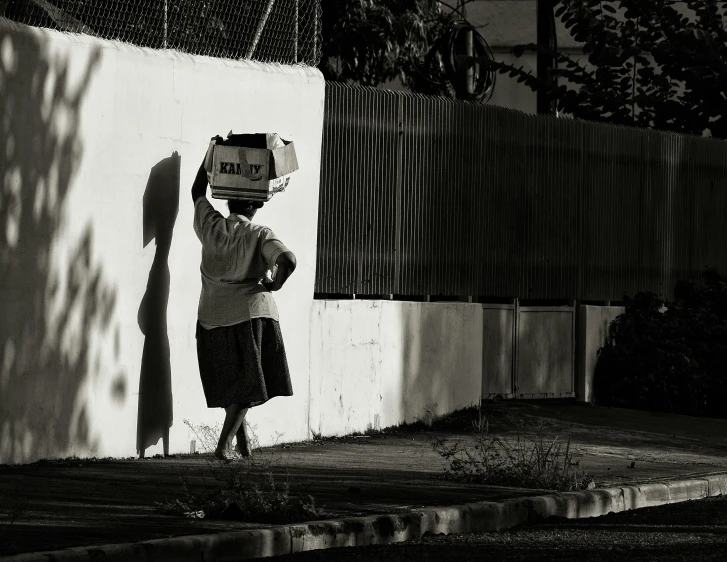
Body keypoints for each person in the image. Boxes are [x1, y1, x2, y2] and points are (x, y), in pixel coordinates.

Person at [191, 148, 296, 460]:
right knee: (248, 387)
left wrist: (211, 154)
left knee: (232, 385)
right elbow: (287, 259)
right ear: (256, 204)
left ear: (228, 200)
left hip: (211, 317)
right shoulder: (259, 233)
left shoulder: (210, 225)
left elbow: (197, 191)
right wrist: (274, 283)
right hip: (251, 316)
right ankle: (224, 447)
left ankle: (243, 445)